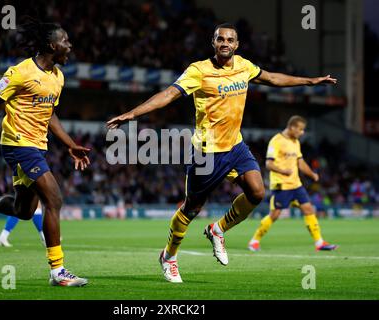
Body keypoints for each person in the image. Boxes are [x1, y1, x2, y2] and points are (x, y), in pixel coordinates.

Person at [107, 23, 337, 283]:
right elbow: (169, 94)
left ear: (236, 44)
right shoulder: (199, 70)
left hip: (235, 146)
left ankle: (218, 229)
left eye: (230, 39)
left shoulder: (244, 66)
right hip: (207, 152)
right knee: (191, 209)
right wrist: (132, 114)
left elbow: (272, 78)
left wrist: (310, 81)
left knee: (257, 192)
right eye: (220, 39)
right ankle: (169, 256)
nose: (225, 43)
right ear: (213, 43)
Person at [0, 17, 90, 287]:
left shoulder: (57, 77)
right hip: (17, 144)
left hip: (37, 145)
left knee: (24, 210)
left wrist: (70, 143)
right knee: (54, 199)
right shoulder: (21, 72)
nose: (70, 46)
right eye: (65, 41)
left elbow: (49, 115)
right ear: (52, 45)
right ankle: (58, 272)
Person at [248, 116, 338, 252]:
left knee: (308, 209)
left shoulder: (295, 142)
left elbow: (300, 163)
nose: (302, 132)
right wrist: (283, 171)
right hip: (281, 185)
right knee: (275, 214)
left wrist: (312, 174)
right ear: (292, 127)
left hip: (296, 185)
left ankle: (319, 243)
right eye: (300, 129)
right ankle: (254, 241)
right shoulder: (276, 141)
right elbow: (269, 163)